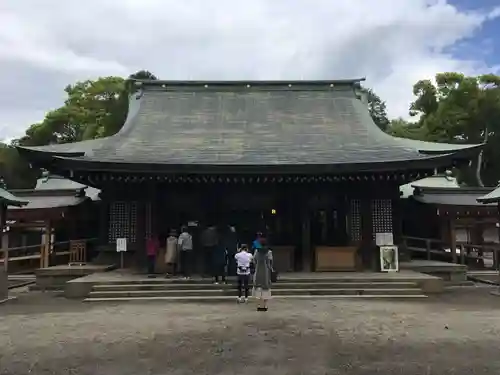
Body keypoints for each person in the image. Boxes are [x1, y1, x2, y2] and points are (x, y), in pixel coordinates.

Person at [252, 236, 273, 311]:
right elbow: (270, 263)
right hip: (266, 272)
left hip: (258, 271)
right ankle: (264, 306)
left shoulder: (256, 251)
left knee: (258, 288)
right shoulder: (269, 252)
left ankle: (258, 305)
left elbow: (254, 260)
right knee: (266, 289)